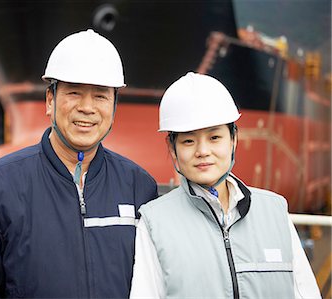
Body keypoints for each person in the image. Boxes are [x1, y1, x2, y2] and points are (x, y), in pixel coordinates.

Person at [0, 29, 158, 298]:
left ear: (115, 105)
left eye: (101, 95)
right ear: (50, 100)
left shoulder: (138, 186)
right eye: (74, 93)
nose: (87, 107)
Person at [130, 72, 321, 298]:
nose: (202, 151)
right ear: (173, 149)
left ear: (234, 140)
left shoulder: (275, 211)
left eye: (214, 138)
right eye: (189, 140)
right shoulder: (155, 222)